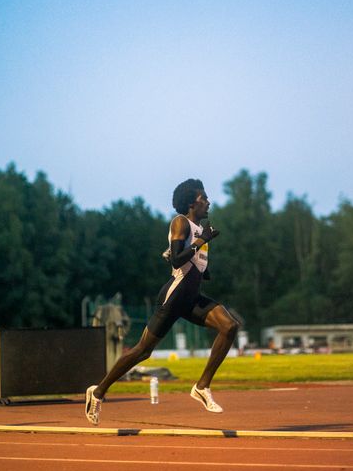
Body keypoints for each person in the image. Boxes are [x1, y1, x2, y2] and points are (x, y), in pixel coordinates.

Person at [85, 178, 239, 425]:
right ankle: (98, 391)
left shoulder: (199, 229)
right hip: (174, 297)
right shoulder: (181, 222)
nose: (208, 201)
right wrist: (201, 242)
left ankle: (202, 386)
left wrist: (202, 260)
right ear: (191, 203)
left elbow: (192, 263)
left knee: (229, 326)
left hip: (191, 298)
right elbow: (178, 261)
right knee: (142, 351)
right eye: (203, 198)